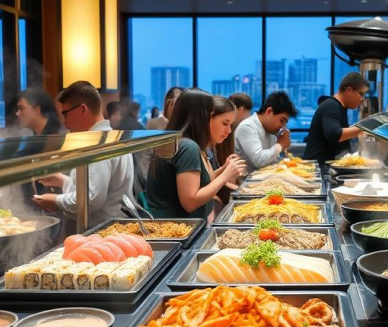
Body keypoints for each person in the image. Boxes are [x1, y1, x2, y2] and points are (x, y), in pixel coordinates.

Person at [32, 81, 132, 223]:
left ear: (82, 109)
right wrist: (63, 181)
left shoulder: (97, 144)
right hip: (110, 227)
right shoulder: (110, 136)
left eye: (65, 114)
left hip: (100, 232)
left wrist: (56, 201)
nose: (64, 121)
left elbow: (92, 199)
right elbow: (95, 187)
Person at [145, 89, 247, 221]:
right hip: (181, 231)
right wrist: (225, 176)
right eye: (209, 115)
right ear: (199, 117)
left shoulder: (182, 142)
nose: (228, 131)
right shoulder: (188, 146)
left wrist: (224, 169)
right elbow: (190, 202)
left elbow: (201, 182)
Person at [303, 72, 369, 163]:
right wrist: (365, 128)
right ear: (349, 90)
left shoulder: (339, 107)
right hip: (319, 171)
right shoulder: (331, 106)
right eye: (361, 94)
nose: (362, 99)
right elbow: (335, 134)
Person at [235, 91, 298, 172]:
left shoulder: (271, 130)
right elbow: (259, 160)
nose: (282, 126)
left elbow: (270, 161)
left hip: (265, 181)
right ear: (269, 111)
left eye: (285, 123)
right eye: (281, 120)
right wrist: (280, 144)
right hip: (247, 182)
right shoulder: (247, 126)